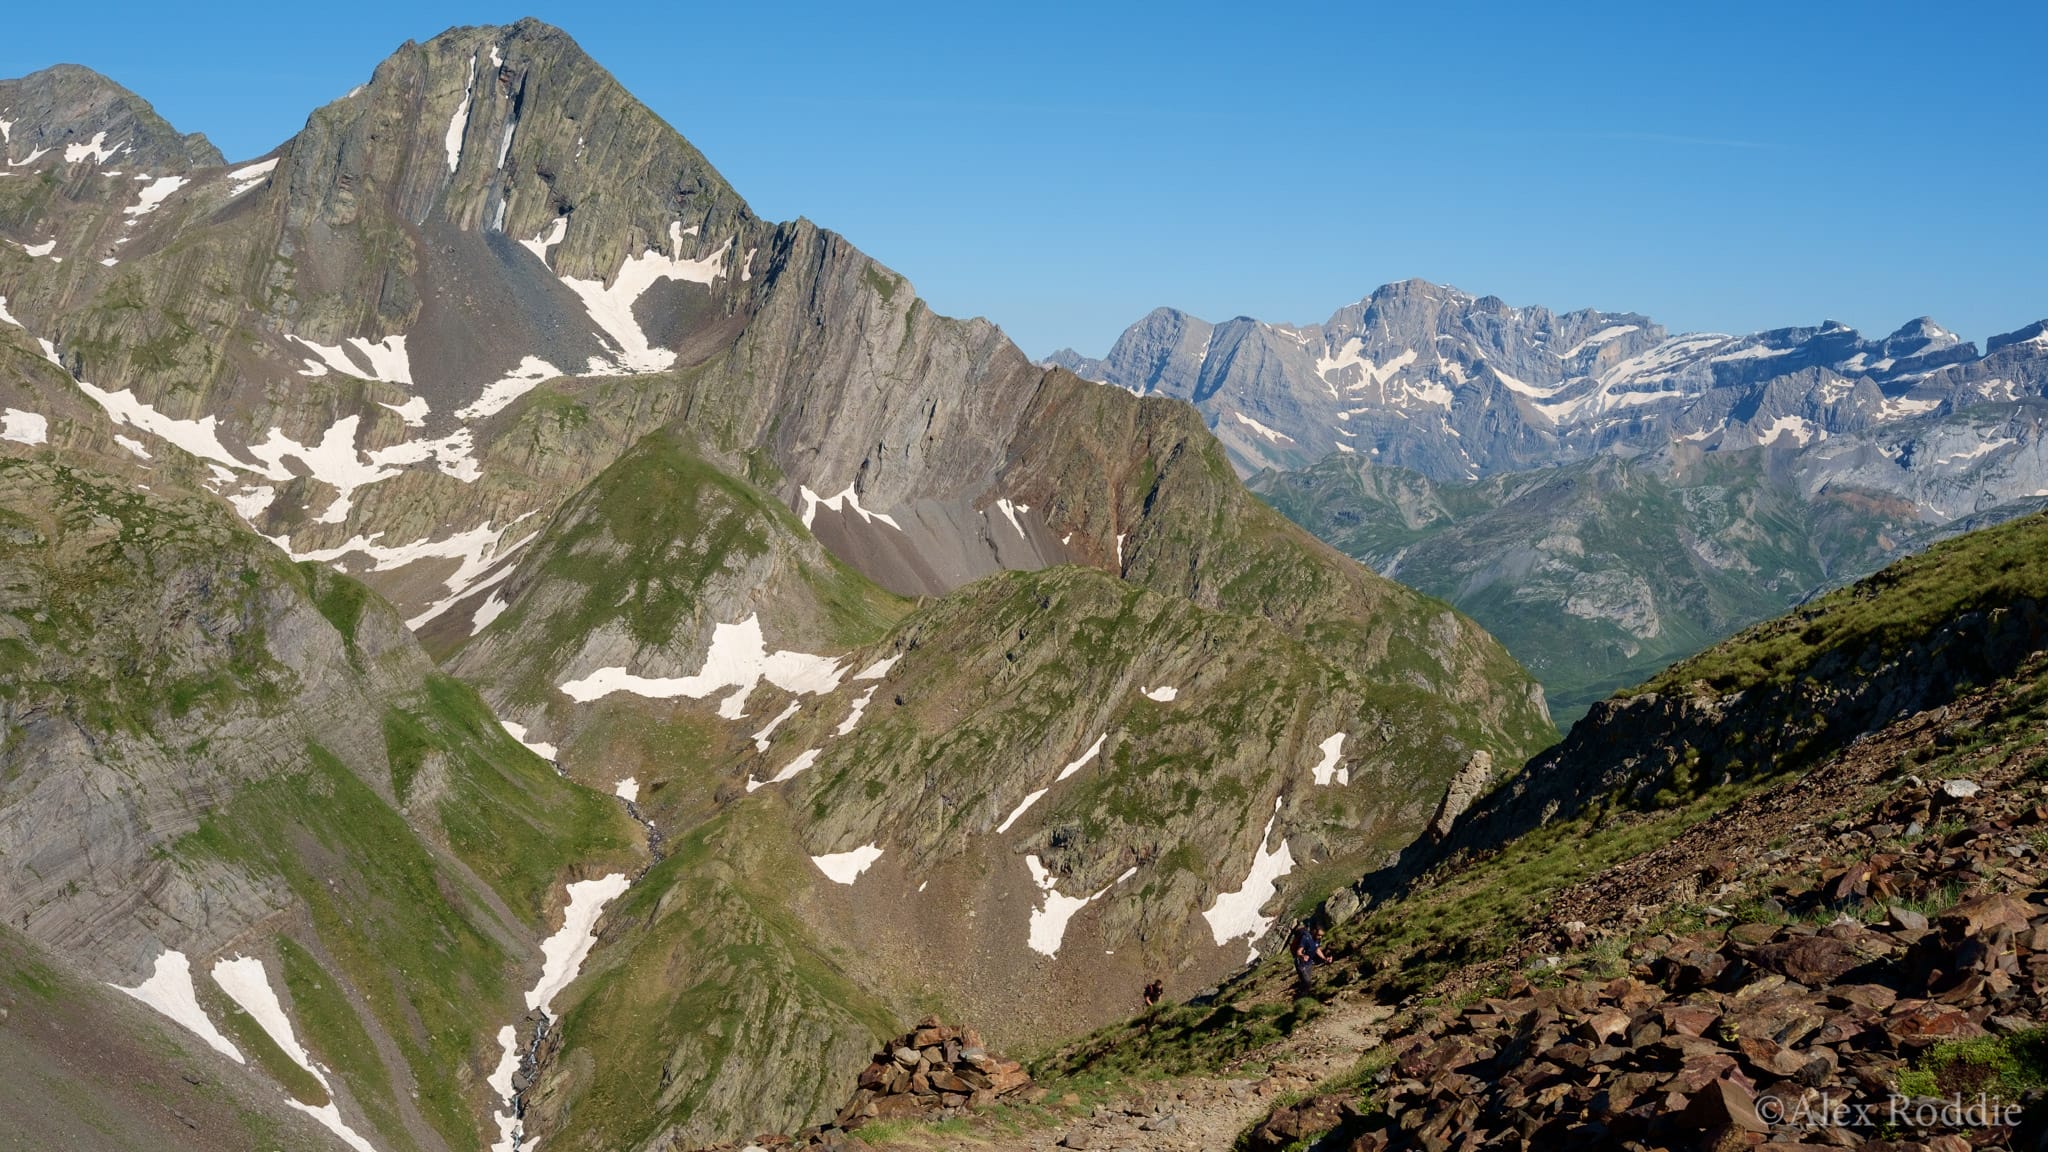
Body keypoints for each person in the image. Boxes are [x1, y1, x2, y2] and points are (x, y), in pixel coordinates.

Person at [1290, 922, 1329, 995]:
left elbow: (1317, 949)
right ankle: (1303, 997)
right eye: (1319, 935)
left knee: (1306, 981)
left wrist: (1325, 958)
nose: (1320, 937)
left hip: (1309, 963)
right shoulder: (1306, 938)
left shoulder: (1317, 939)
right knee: (1307, 981)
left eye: (1321, 936)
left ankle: (1303, 994)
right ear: (1314, 931)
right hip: (1301, 963)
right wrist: (1302, 956)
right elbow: (1299, 951)